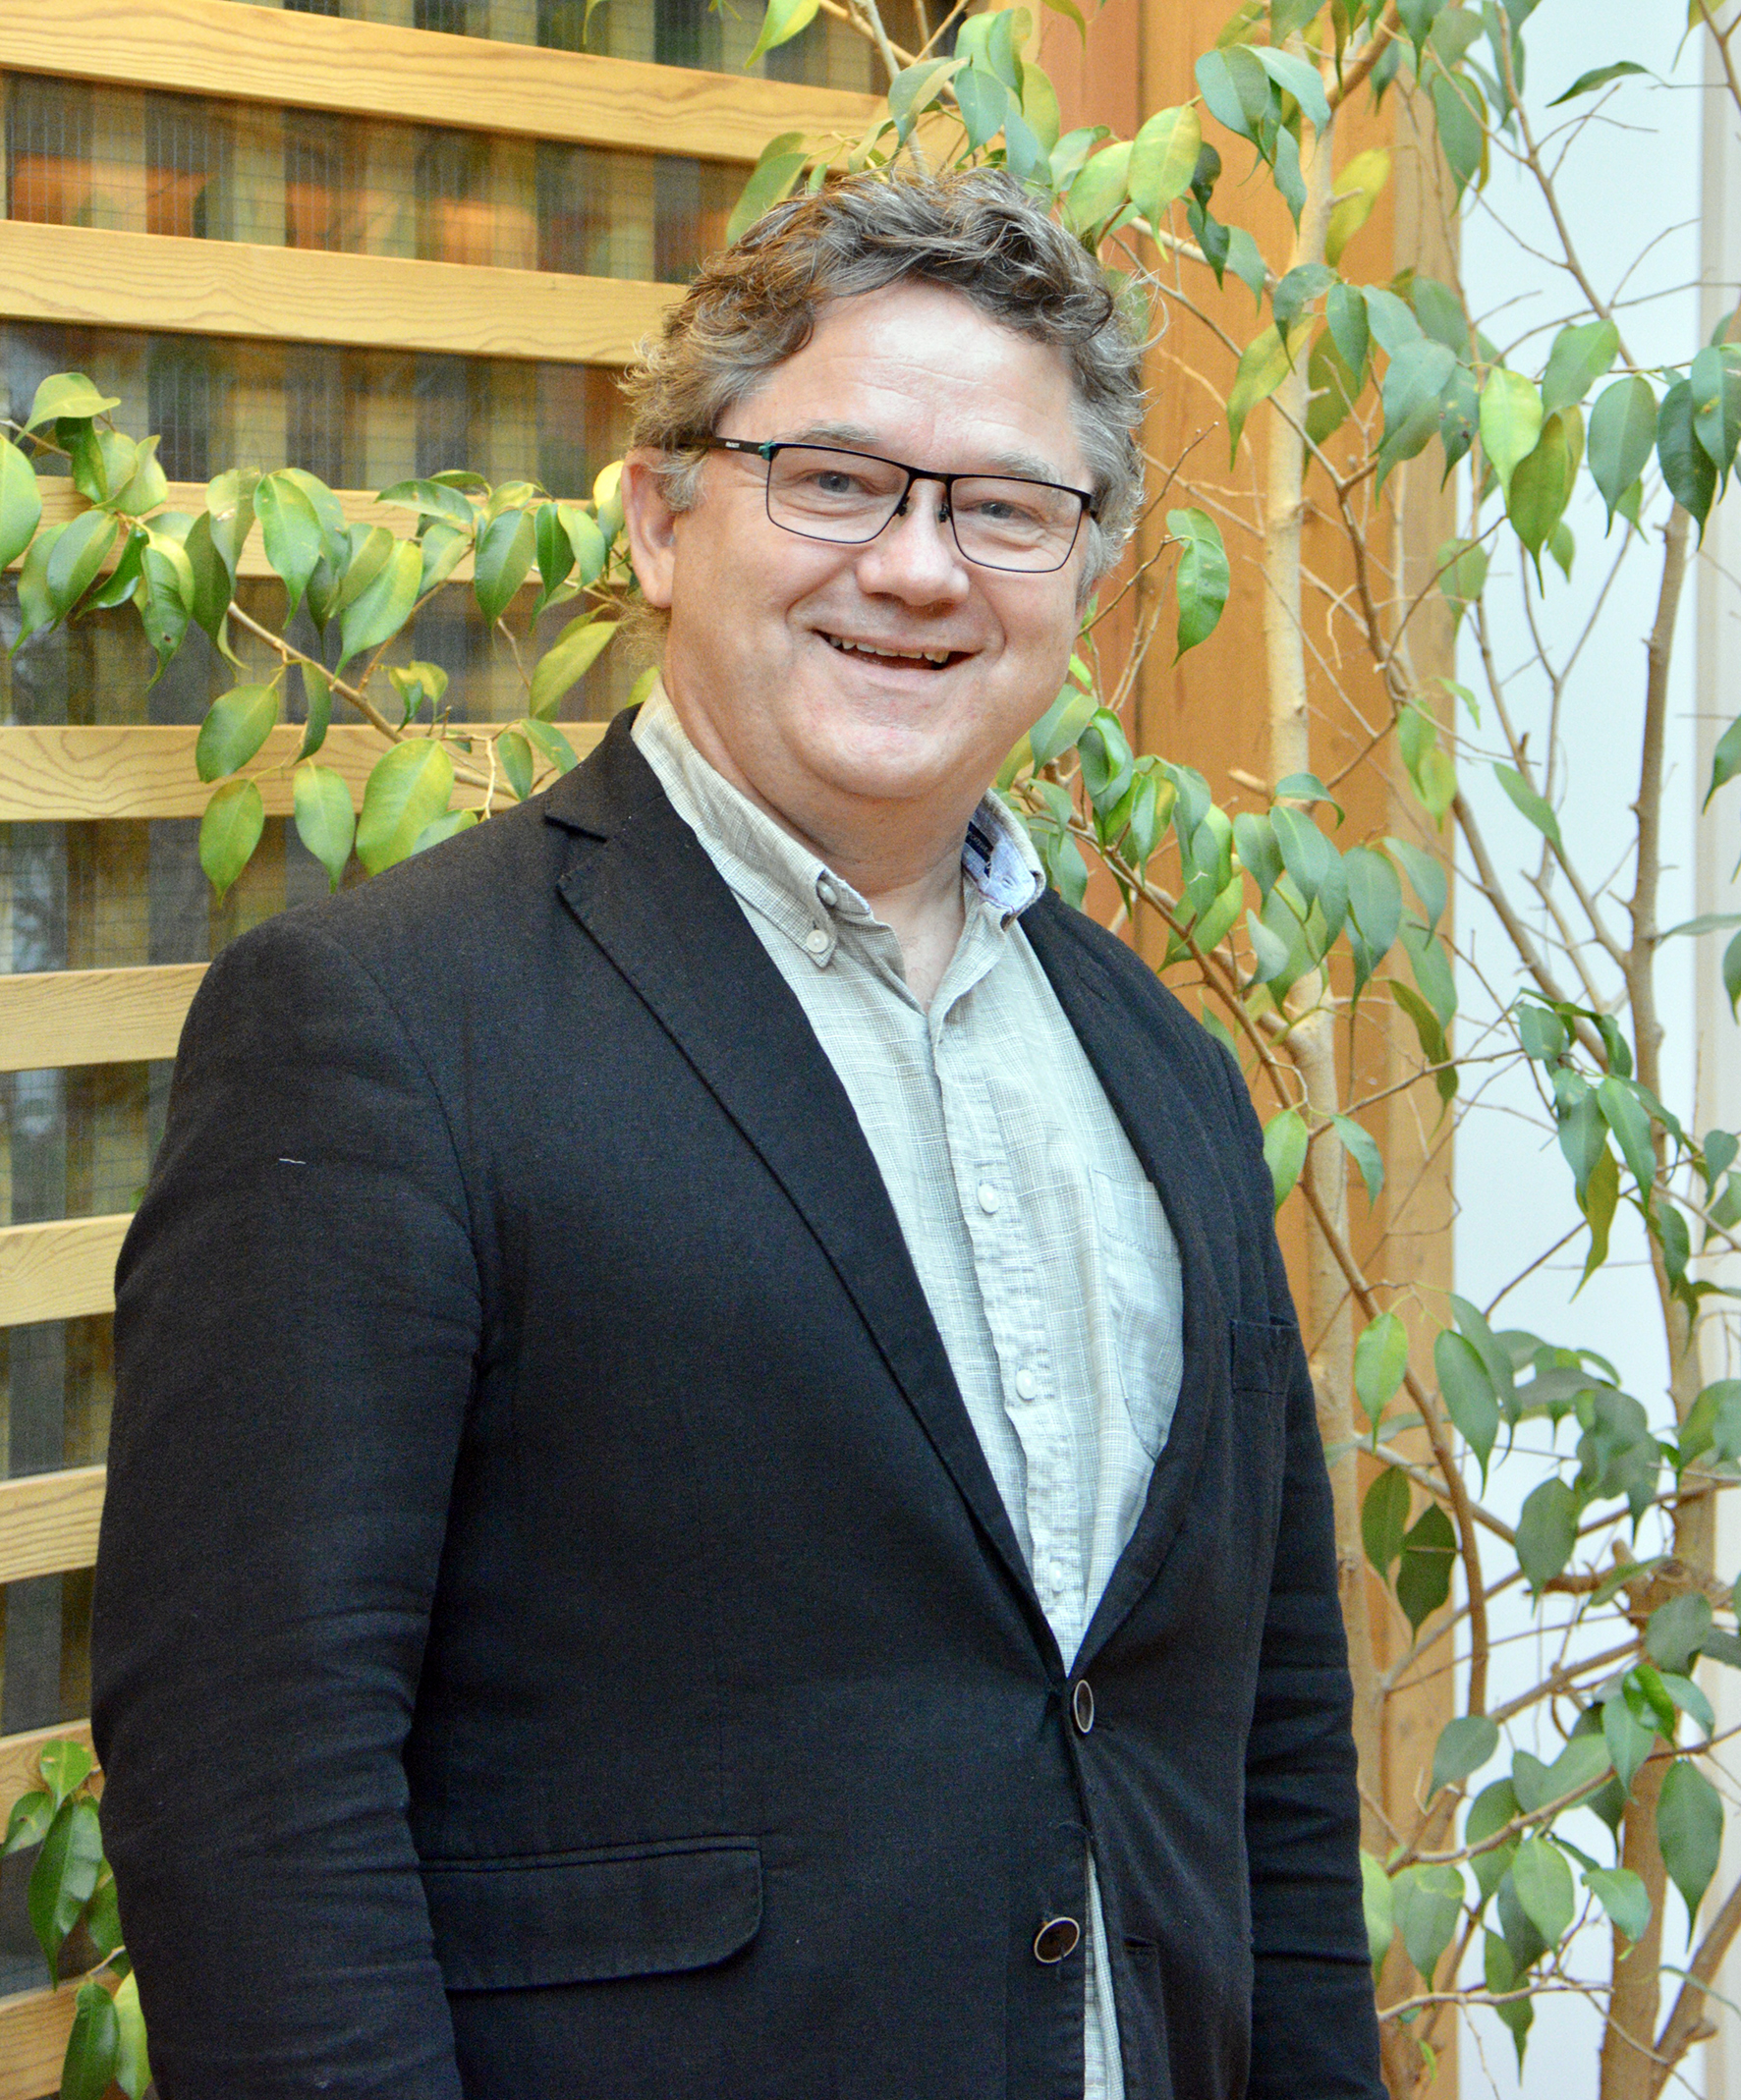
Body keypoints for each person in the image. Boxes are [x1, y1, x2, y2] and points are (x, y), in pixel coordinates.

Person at [92, 169, 1384, 2100]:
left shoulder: (1163, 1068)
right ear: (660, 517)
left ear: (1088, 573)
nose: (921, 569)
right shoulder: (381, 1024)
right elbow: (250, 1784)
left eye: (1004, 509)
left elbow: (1265, 1740)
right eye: (836, 481)